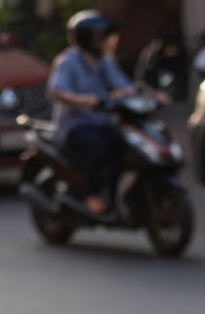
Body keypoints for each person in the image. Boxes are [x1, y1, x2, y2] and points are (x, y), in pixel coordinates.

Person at [49, 12, 134, 215]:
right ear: (88, 39)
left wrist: (149, 94)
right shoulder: (68, 62)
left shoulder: (105, 61)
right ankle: (92, 194)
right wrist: (83, 99)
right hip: (75, 125)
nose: (107, 43)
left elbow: (124, 87)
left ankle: (113, 196)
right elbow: (58, 91)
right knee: (98, 145)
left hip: (103, 122)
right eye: (103, 38)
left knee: (122, 144)